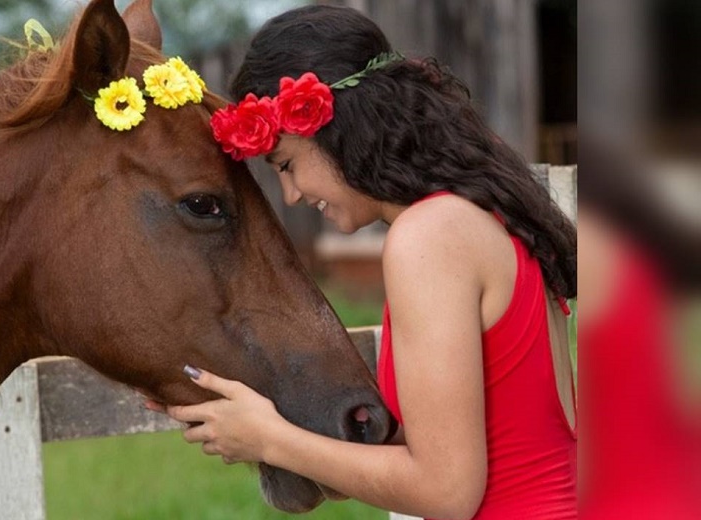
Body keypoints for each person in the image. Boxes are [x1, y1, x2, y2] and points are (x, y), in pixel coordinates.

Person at [144, 5, 577, 520]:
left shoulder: (428, 238)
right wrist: (259, 424)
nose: (292, 194)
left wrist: (270, 440)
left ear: (336, 129)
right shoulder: (479, 218)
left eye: (287, 165)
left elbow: (446, 492)